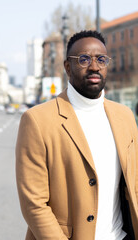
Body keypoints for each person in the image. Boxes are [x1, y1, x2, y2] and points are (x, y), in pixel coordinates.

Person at [16, 30, 138, 240]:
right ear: (67, 67)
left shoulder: (125, 116)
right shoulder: (37, 120)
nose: (94, 66)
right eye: (83, 59)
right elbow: (34, 204)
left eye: (101, 59)